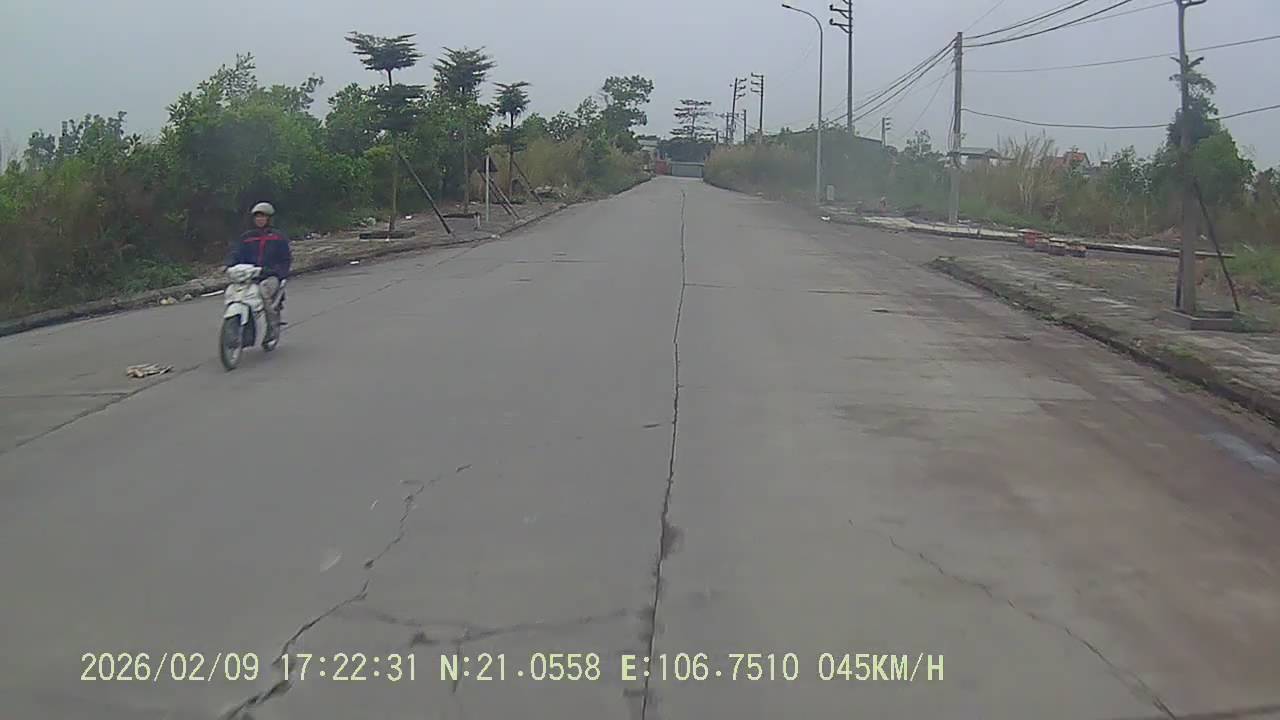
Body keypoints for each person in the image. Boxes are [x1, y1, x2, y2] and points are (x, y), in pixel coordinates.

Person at [226, 202, 292, 338]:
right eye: (257, 217)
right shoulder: (246, 237)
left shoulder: (278, 237)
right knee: (233, 290)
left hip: (270, 276)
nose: (260, 219)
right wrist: (228, 264)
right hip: (249, 275)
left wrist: (277, 272)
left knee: (263, 291)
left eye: (263, 216)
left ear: (269, 219)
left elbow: (285, 259)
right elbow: (235, 252)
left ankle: (272, 326)